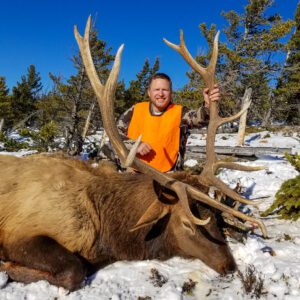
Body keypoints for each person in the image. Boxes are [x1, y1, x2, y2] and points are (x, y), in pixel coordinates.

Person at [117, 73, 220, 172]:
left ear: (170, 92)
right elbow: (115, 134)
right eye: (156, 89)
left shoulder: (180, 112)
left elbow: (199, 119)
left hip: (169, 175)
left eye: (165, 90)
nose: (160, 94)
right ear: (149, 92)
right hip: (134, 171)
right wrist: (135, 145)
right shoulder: (135, 110)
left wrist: (208, 105)